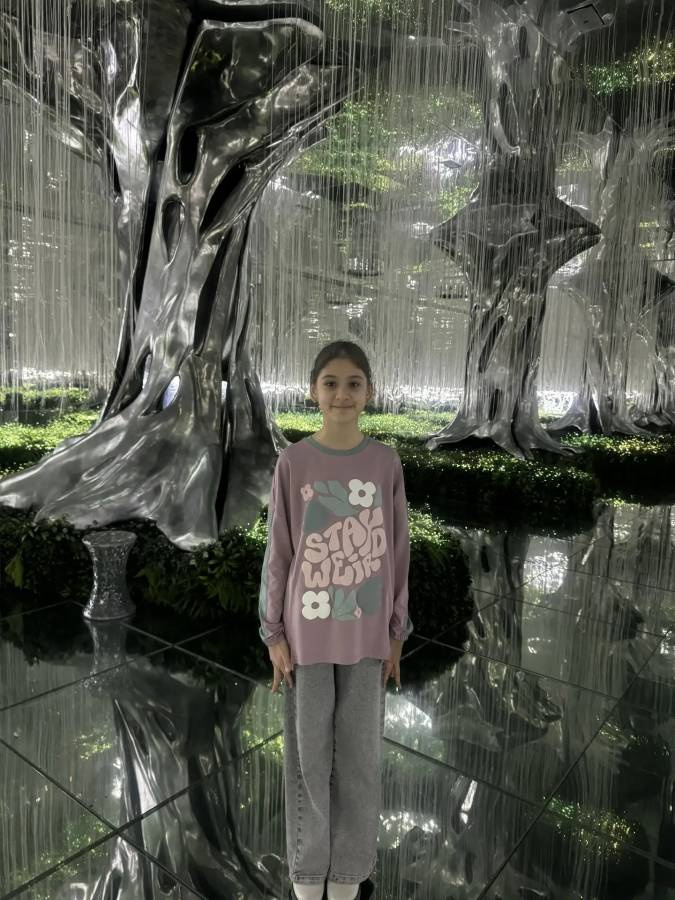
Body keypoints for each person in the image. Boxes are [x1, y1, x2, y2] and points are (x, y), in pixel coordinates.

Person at [258, 340, 413, 900]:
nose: (342, 394)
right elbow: (279, 552)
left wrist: (396, 631)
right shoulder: (294, 462)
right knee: (308, 762)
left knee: (358, 761)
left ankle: (347, 875)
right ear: (312, 391)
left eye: (353, 383)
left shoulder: (385, 463)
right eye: (330, 383)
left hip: (367, 639)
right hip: (308, 639)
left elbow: (398, 551)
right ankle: (307, 875)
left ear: (368, 392)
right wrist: (273, 633)